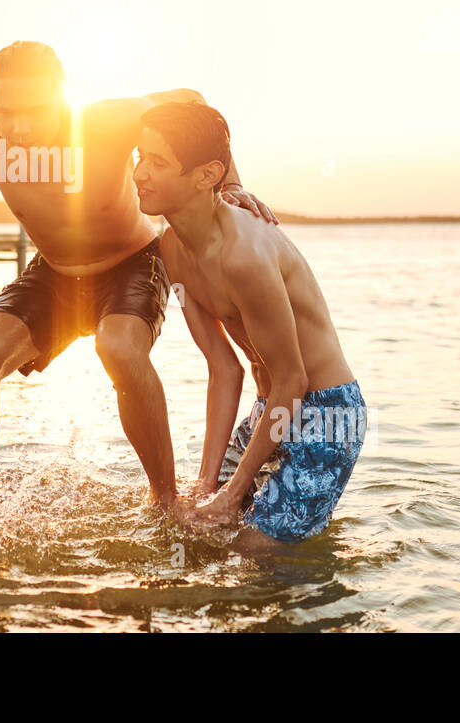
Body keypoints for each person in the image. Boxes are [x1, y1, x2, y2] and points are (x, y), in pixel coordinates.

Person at [0, 41, 276, 509]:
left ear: (63, 96)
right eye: (7, 110)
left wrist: (230, 184)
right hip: (55, 274)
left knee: (118, 346)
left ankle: (166, 501)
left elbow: (193, 104)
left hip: (132, 264)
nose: (21, 124)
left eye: (36, 109)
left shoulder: (105, 123)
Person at [133, 101, 366, 544]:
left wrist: (233, 492)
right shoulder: (173, 249)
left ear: (206, 175)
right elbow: (224, 369)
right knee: (189, 529)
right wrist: (207, 485)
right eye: (139, 157)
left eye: (157, 162)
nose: (140, 173)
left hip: (327, 412)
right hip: (271, 408)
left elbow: (293, 379)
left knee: (251, 552)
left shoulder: (246, 257)